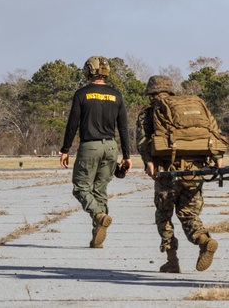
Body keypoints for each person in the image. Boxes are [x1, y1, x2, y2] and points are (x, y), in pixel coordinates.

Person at [136, 75, 223, 273]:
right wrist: (218, 159)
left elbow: (142, 142)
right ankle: (203, 240)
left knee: (164, 215)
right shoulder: (194, 108)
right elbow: (213, 131)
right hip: (196, 170)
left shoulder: (149, 113)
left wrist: (149, 163)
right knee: (188, 213)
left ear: (150, 93)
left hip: (167, 171)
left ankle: (172, 260)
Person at [59, 56, 132, 248]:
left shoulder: (82, 94)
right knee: (100, 190)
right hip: (111, 147)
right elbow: (123, 128)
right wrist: (127, 156)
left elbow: (72, 123)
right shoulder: (117, 95)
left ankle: (98, 215)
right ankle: (96, 238)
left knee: (81, 188)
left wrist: (65, 149)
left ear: (89, 71)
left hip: (89, 146)